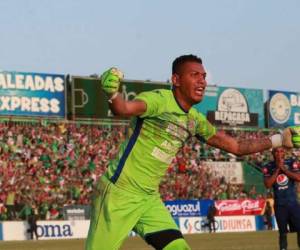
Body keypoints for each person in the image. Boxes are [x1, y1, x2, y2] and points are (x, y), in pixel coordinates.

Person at [86, 54, 298, 250]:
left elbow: (236, 147)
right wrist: (113, 93)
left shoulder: (194, 120)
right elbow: (122, 108)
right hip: (118, 195)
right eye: (194, 75)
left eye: (204, 76)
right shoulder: (159, 100)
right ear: (176, 80)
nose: (202, 81)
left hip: (148, 199)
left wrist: (280, 139)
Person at [263, 147, 300, 250]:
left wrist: (284, 169)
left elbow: (298, 178)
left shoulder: (292, 162)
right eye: (277, 151)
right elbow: (267, 184)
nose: (279, 153)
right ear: (273, 153)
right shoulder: (268, 166)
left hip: (293, 203)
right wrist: (277, 170)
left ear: (285, 152)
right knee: (283, 233)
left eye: (281, 151)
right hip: (280, 205)